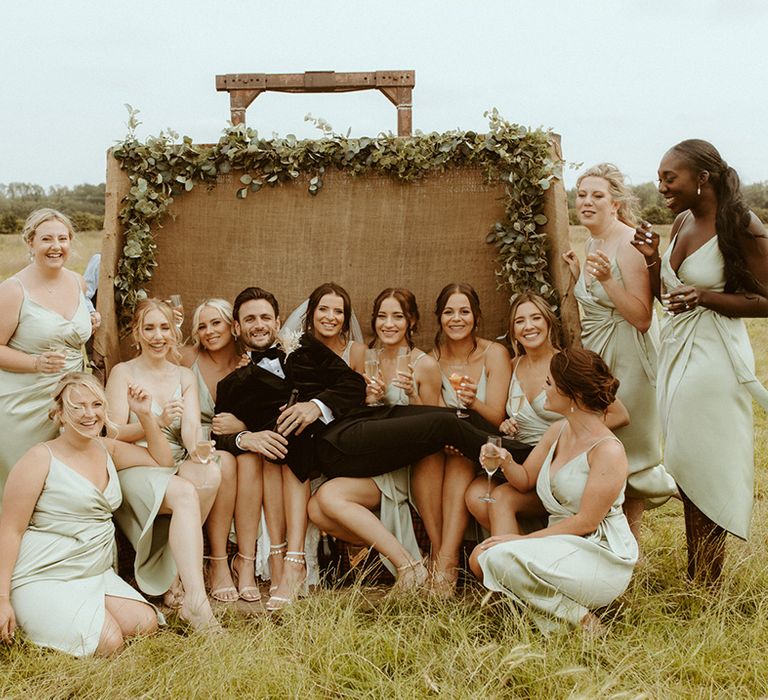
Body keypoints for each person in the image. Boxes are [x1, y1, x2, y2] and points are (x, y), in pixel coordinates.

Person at [631, 140, 768, 583]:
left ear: (702, 178)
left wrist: (708, 297)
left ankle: (707, 579)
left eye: (670, 177)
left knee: (704, 463)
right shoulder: (683, 220)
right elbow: (667, 298)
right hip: (677, 355)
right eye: (659, 178)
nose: (662, 186)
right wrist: (653, 259)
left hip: (714, 361)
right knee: (686, 465)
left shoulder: (742, 225)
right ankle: (700, 574)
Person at [215, 287, 368, 610]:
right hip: (280, 451)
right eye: (250, 319)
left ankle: (293, 558)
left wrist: (315, 406)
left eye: (265, 317)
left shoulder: (305, 349)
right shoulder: (231, 384)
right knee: (274, 444)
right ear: (237, 327)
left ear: (278, 321)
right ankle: (280, 559)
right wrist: (246, 437)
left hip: (322, 440)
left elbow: (353, 385)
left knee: (286, 438)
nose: (259, 325)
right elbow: (220, 434)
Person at [469, 348, 638, 634]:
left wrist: (519, 541)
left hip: (599, 554)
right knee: (480, 558)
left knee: (497, 555)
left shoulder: (608, 450)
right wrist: (504, 459)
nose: (543, 389)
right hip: (559, 544)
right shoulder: (558, 431)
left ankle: (581, 621)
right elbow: (523, 481)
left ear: (571, 394)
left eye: (549, 383)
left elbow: (587, 521)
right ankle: (559, 618)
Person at [0, 373, 166, 656]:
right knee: (110, 642)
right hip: (44, 571)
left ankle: (71, 620)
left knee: (144, 624)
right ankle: (35, 618)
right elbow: (10, 530)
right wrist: (2, 598)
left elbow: (162, 461)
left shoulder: (106, 449)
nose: (89, 414)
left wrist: (145, 415)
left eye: (96, 405)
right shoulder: (40, 458)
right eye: (77, 407)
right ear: (60, 414)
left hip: (92, 570)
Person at [562, 164, 676, 540]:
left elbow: (642, 317)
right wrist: (579, 274)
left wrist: (608, 279)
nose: (587, 202)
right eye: (582, 194)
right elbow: (597, 302)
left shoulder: (628, 243)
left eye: (597, 195)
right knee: (599, 440)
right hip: (598, 356)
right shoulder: (592, 241)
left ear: (615, 203)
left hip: (628, 356)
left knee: (627, 448)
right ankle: (609, 539)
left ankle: (633, 544)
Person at [466, 293, 629, 536]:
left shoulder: (565, 365)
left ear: (549, 323)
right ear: (513, 330)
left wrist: (570, 426)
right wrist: (505, 424)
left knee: (500, 497)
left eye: (535, 318)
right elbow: (499, 414)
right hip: (523, 459)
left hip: (558, 461)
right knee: (476, 496)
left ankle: (516, 552)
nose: (528, 326)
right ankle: (521, 546)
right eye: (520, 321)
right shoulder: (512, 365)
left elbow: (620, 415)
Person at [309, 288, 441, 588]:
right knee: (316, 508)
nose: (388, 324)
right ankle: (409, 558)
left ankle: (407, 565)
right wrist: (367, 401)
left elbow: (437, 428)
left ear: (411, 321)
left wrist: (413, 396)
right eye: (382, 316)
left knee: (328, 497)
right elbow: (349, 415)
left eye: (397, 316)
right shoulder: (364, 357)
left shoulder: (425, 365)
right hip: (369, 461)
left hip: (404, 465)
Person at [105, 299, 220, 625]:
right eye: (149, 328)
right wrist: (152, 420)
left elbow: (190, 430)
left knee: (210, 474)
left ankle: (175, 577)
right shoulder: (123, 372)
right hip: (136, 463)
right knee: (185, 493)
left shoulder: (184, 375)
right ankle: (195, 601)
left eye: (164, 328)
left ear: (174, 332)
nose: (158, 336)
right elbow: (112, 432)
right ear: (137, 333)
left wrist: (199, 451)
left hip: (173, 460)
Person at [411, 283, 510, 594]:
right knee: (427, 456)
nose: (457, 319)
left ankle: (448, 557)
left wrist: (472, 402)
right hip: (442, 440)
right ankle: (440, 552)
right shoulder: (430, 360)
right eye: (449, 312)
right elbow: (430, 415)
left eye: (464, 312)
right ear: (439, 317)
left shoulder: (495, 354)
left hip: (482, 442)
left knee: (460, 460)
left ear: (476, 317)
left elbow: (496, 416)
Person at [0, 209, 95, 495]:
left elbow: (71, 328)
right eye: (46, 239)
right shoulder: (12, 290)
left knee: (61, 484)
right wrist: (35, 362)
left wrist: (91, 322)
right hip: (23, 407)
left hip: (71, 405)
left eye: (63, 238)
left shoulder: (78, 282)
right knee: (21, 485)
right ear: (30, 243)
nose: (56, 246)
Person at [180, 299, 244, 602]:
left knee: (233, 461)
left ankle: (224, 562)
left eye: (216, 323)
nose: (209, 331)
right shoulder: (186, 357)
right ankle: (216, 562)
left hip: (236, 441)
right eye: (202, 326)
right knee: (225, 463)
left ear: (232, 325)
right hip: (191, 441)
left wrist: (241, 424)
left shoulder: (248, 359)